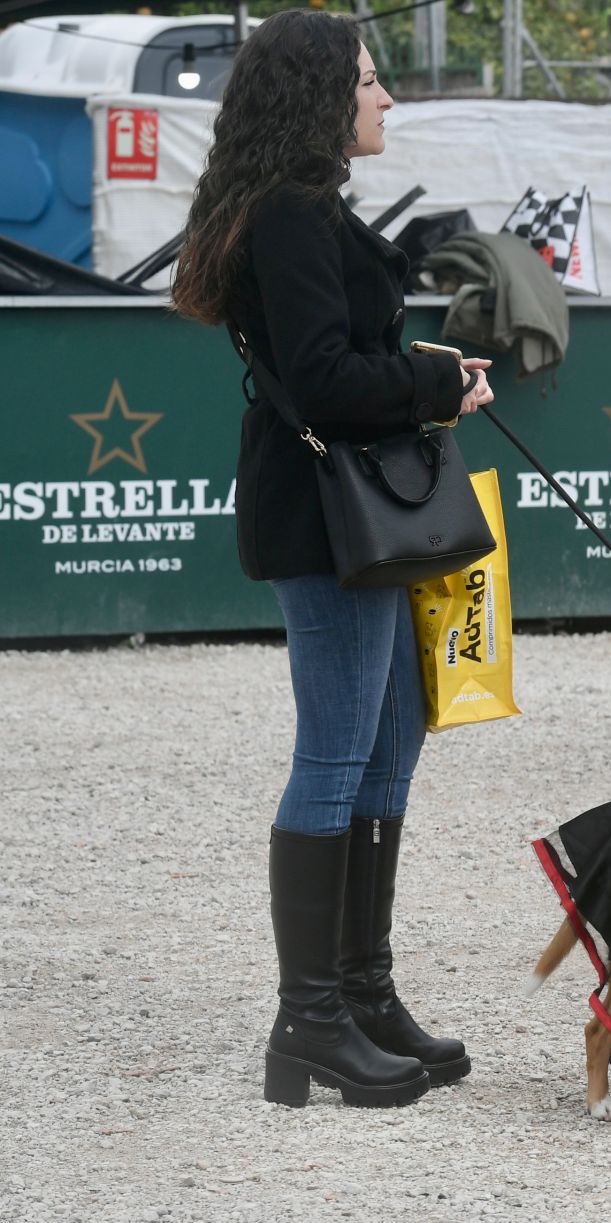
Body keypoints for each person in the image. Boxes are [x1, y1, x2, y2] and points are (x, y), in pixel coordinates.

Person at [172, 10, 493, 1108]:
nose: (385, 99)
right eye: (368, 81)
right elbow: (322, 380)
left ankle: (362, 993)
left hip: (364, 512)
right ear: (319, 96)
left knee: (387, 748)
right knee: (338, 753)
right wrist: (435, 385)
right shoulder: (292, 215)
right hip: (329, 519)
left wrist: (419, 369)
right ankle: (308, 1021)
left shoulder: (306, 213)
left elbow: (339, 359)